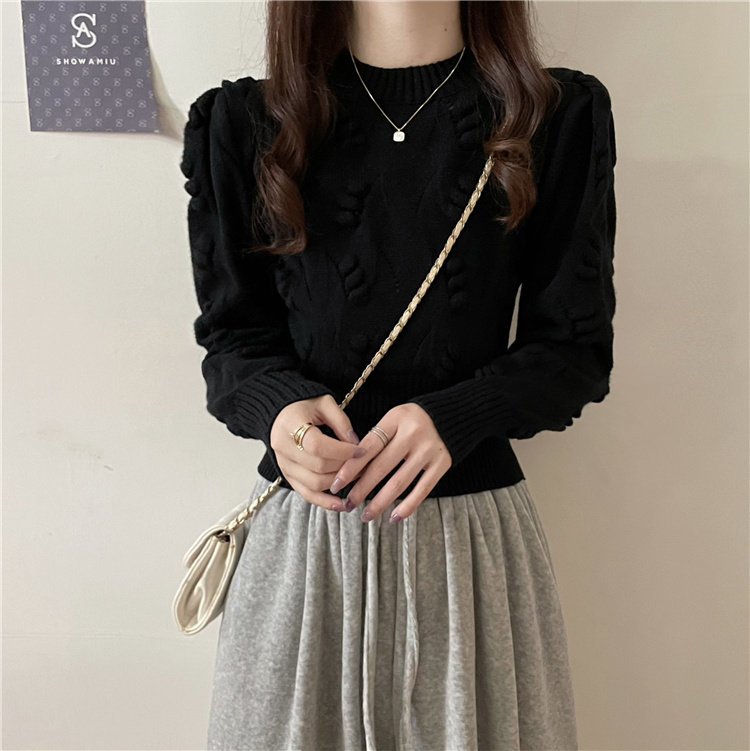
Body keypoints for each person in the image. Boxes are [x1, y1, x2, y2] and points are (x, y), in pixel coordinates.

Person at [179, 0, 616, 748]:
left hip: (469, 555)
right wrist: (283, 414)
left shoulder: (550, 116)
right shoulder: (249, 123)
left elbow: (573, 348)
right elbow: (231, 338)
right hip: (304, 554)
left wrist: (460, 416)